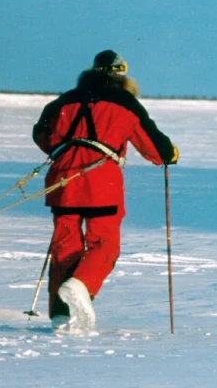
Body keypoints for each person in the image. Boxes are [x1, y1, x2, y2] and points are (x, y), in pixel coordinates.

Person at [32, 50, 178, 333]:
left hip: (63, 179)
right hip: (101, 182)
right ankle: (80, 285)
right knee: (104, 245)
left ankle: (61, 317)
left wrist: (66, 152)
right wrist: (170, 154)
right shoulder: (125, 103)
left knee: (65, 246)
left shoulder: (63, 101)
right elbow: (155, 148)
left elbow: (41, 134)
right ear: (121, 75)